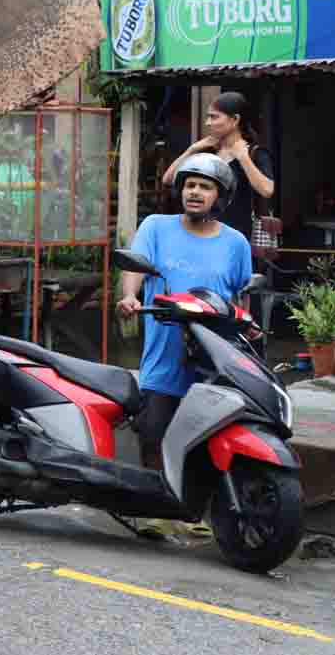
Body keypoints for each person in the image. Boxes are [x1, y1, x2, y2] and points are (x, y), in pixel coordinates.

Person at [117, 153, 253, 535]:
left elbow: (241, 294)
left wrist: (247, 329)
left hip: (214, 353)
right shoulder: (156, 226)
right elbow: (135, 266)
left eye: (204, 186)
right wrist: (129, 297)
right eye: (190, 185)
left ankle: (197, 512)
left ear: (219, 196)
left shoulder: (236, 243)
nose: (195, 192)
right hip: (165, 349)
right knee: (154, 427)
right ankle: (152, 508)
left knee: (208, 433)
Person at [160, 90, 275, 241]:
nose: (208, 122)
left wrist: (243, 158)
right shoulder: (207, 152)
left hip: (235, 236)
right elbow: (168, 180)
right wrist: (192, 149)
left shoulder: (255, 153)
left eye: (214, 117)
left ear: (235, 120)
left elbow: (267, 190)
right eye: (208, 117)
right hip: (199, 232)